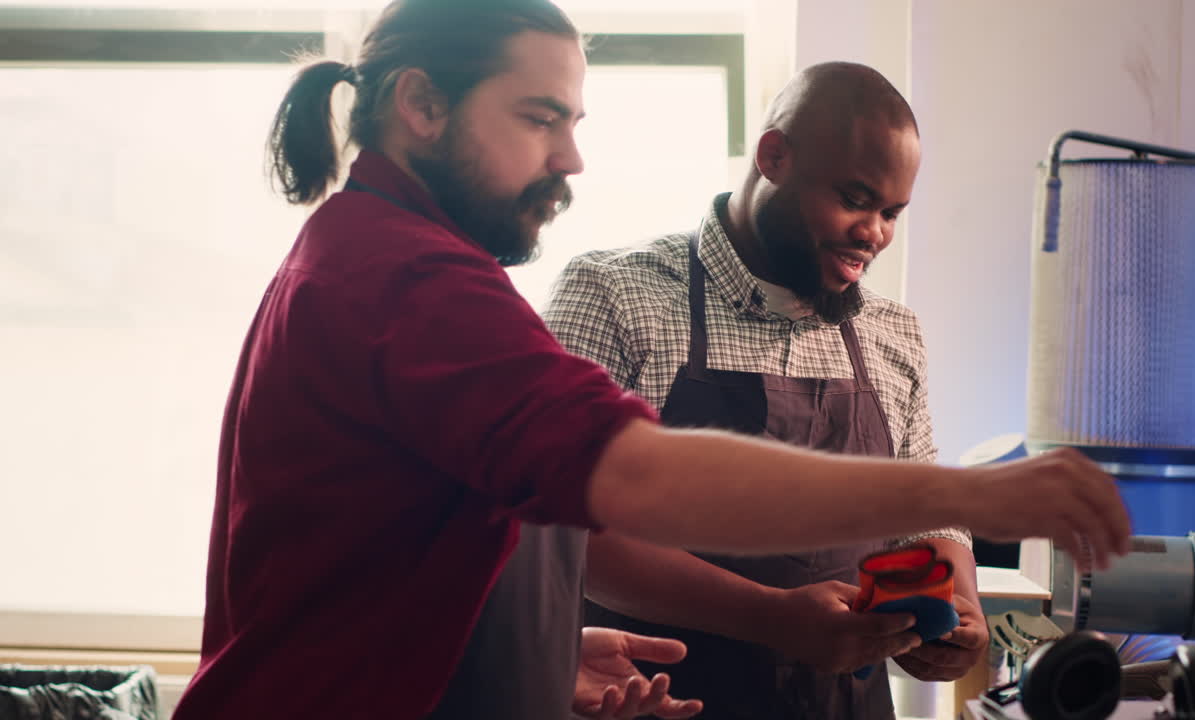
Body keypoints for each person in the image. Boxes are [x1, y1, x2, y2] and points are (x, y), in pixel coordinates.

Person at [170, 1, 1131, 718]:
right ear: (422, 105)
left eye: (574, 124)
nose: (572, 159)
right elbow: (629, 482)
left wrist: (550, 661)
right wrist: (972, 495)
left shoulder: (392, 259)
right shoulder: (407, 281)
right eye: (541, 119)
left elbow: (426, 550)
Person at [543, 61, 988, 719]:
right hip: (659, 702)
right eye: (856, 198)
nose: (875, 234)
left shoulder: (894, 332)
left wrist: (956, 602)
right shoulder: (614, 294)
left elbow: (922, 513)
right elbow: (562, 528)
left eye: (892, 213)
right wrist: (775, 618)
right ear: (774, 156)